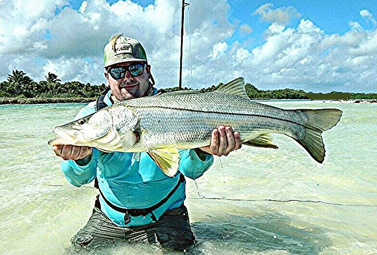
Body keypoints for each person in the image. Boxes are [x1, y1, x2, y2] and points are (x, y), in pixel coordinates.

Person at [52, 34, 242, 252]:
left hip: (166, 216)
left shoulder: (174, 107)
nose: (127, 77)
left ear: (148, 71)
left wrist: (201, 151)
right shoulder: (94, 115)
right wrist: (80, 159)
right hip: (109, 218)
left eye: (135, 68)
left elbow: (190, 170)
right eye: (117, 71)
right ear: (107, 76)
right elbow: (78, 179)